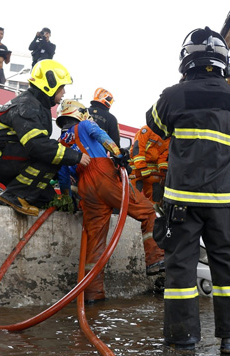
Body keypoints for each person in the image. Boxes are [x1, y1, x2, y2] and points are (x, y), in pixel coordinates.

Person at [145, 27, 230, 354]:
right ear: (223, 61)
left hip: (182, 202)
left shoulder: (173, 96)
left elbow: (154, 125)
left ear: (186, 60)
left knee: (180, 268)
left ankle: (183, 339)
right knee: (229, 267)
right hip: (224, 203)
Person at [55, 99, 165, 303]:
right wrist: (118, 155)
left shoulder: (61, 143)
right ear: (80, 113)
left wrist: (70, 200)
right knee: (148, 211)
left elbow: (63, 178)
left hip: (85, 190)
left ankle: (93, 295)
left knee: (95, 242)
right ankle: (156, 261)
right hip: (103, 175)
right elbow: (102, 135)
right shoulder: (86, 124)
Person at [0, 60, 87, 215]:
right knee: (51, 157)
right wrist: (75, 156)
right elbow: (37, 146)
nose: (64, 93)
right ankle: (13, 195)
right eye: (62, 87)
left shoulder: (36, 103)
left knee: (44, 198)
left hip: (1, 150)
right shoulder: (28, 105)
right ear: (49, 85)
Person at [131, 125, 170, 202]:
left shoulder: (168, 138)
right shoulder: (147, 130)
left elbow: (164, 156)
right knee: (134, 192)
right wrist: (142, 167)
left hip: (153, 169)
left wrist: (163, 171)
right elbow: (138, 148)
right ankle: (131, 211)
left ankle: (153, 211)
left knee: (156, 192)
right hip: (137, 167)